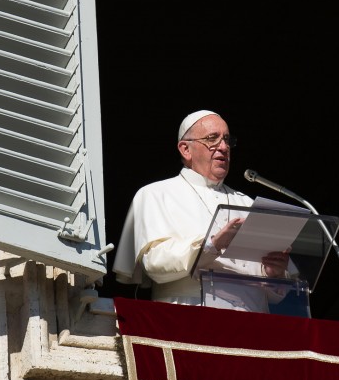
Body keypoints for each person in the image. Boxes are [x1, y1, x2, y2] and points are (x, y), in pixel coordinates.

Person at [112, 110, 291, 312]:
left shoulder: (248, 204)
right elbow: (154, 263)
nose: (223, 147)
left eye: (226, 140)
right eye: (212, 139)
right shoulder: (156, 194)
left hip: (253, 320)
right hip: (190, 314)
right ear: (185, 149)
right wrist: (211, 244)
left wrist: (273, 273)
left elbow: (274, 295)